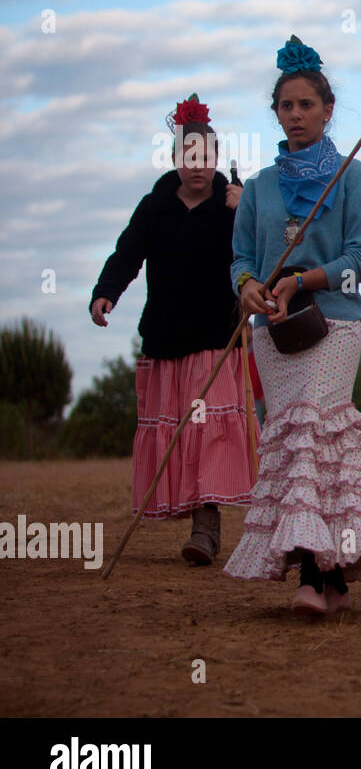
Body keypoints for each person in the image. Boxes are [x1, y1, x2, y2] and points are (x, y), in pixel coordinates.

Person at [223, 36, 361, 615]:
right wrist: (248, 286)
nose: (296, 114)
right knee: (298, 443)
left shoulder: (354, 178)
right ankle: (334, 579)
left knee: (312, 432)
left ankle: (310, 575)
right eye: (286, 106)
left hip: (332, 325)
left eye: (307, 105)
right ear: (275, 113)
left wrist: (304, 280)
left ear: (328, 110)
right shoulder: (257, 188)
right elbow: (239, 260)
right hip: (272, 335)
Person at [90, 95, 256, 564]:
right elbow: (127, 253)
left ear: (217, 160)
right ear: (174, 160)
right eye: (189, 157)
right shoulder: (155, 205)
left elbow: (260, 255)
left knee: (209, 432)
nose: (198, 166)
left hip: (215, 341)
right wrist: (106, 291)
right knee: (180, 432)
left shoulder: (232, 206)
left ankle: (206, 527)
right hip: (165, 339)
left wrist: (245, 212)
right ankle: (188, 513)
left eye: (206, 158)